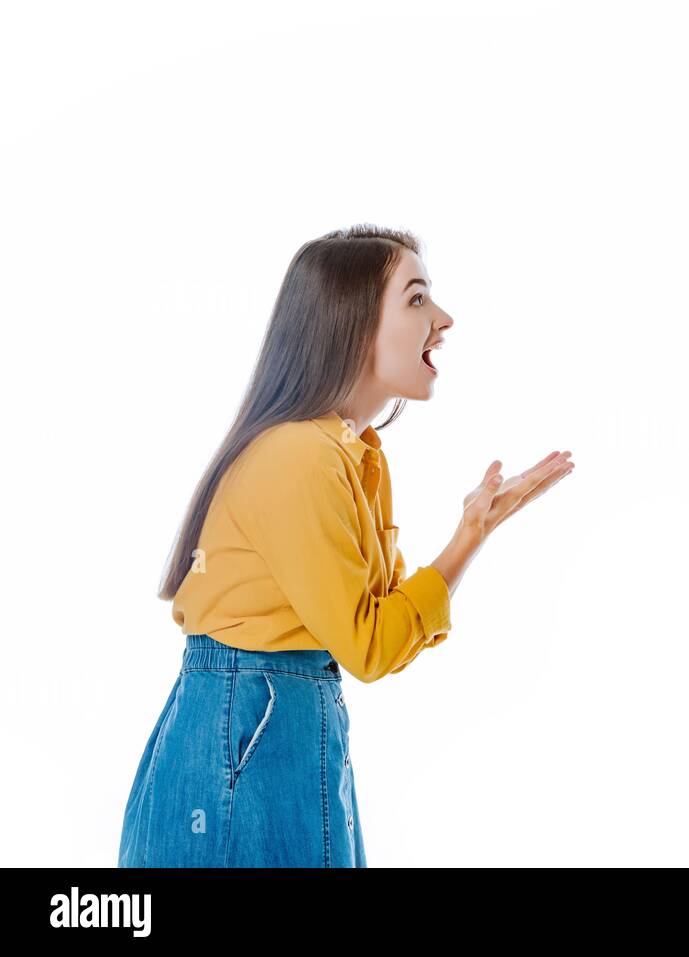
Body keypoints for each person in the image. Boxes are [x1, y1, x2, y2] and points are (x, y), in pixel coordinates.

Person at [118, 224, 575, 867]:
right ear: (353, 323)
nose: (442, 320)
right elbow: (370, 647)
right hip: (250, 734)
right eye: (416, 299)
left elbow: (377, 628)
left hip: (278, 722)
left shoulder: (353, 457)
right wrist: (466, 540)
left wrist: (474, 530)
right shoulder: (298, 456)